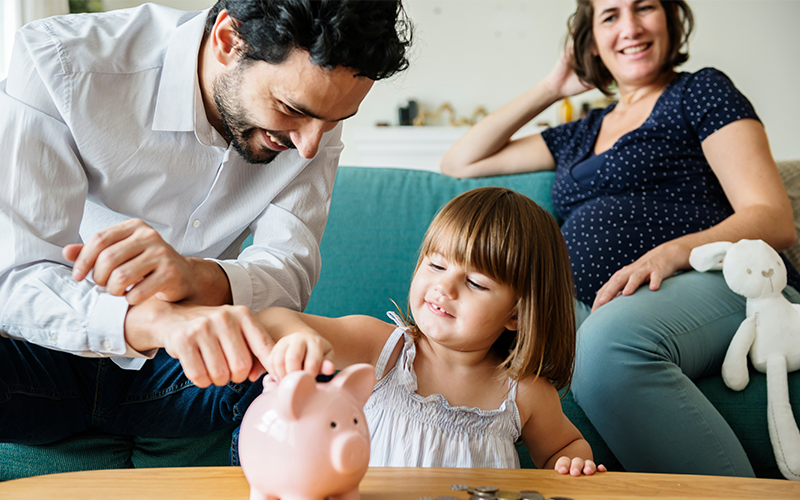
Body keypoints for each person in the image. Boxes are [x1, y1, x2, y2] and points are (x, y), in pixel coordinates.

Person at [0, 0, 410, 447]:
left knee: (295, 376)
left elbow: (288, 275)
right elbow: (14, 278)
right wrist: (152, 321)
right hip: (45, 356)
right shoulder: (60, 62)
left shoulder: (314, 122)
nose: (310, 145)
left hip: (186, 370)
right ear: (228, 40)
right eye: (291, 109)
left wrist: (198, 276)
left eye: (334, 122)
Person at [439, 0, 798, 477]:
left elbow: (773, 219)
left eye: (644, 7)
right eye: (610, 16)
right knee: (479, 330)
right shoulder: (581, 130)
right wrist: (552, 87)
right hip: (597, 299)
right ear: (590, 40)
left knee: (607, 348)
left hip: (713, 279)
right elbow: (460, 162)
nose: (629, 27)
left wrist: (672, 253)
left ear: (670, 19)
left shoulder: (700, 92)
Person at [256, 187, 606, 474]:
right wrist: (299, 339)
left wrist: (573, 464)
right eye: (436, 265)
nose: (445, 287)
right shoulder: (383, 349)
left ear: (516, 315)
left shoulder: (524, 392)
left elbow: (564, 447)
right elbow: (274, 320)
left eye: (475, 283)